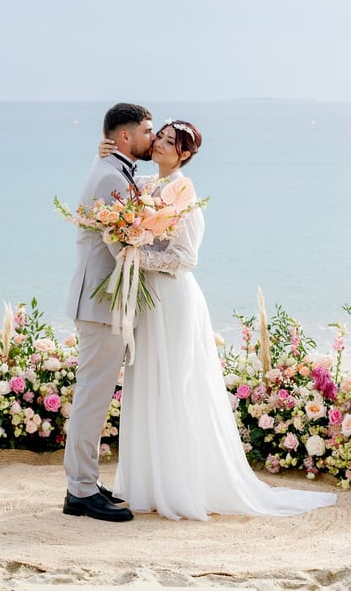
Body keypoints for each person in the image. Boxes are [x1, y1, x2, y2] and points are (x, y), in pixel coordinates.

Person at [102, 119, 337, 521]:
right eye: (159, 136)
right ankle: (147, 483)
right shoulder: (145, 184)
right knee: (146, 381)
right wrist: (103, 157)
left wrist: (137, 254)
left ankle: (179, 485)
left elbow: (186, 258)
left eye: (170, 142)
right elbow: (119, 195)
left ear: (185, 155)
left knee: (175, 385)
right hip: (148, 301)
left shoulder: (183, 193)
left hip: (173, 299)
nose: (159, 143)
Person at [63, 102, 154, 522]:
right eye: (147, 131)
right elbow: (120, 245)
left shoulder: (114, 170)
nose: (151, 138)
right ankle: (79, 492)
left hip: (106, 301)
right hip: (101, 302)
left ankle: (84, 481)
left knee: (96, 397)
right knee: (92, 398)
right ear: (125, 137)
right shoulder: (109, 176)